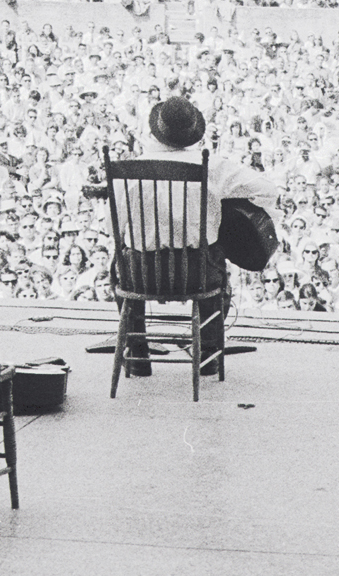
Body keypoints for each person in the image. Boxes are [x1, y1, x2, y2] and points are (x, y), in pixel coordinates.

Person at [108, 96, 278, 373]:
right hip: (197, 273)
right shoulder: (214, 166)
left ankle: (137, 356)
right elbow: (268, 190)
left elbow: (111, 229)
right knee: (218, 272)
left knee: (118, 267)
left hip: (141, 273)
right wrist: (227, 206)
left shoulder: (127, 169)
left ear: (155, 131)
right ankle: (208, 357)